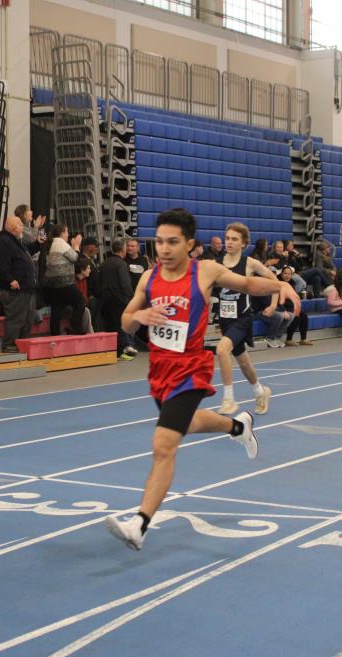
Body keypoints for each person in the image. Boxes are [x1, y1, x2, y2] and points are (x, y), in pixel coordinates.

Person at [103, 208, 295, 551]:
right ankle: (238, 426)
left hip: (190, 368)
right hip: (160, 370)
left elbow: (247, 284)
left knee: (163, 444)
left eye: (172, 242)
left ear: (190, 244)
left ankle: (140, 524)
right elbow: (126, 320)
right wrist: (141, 315)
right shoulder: (149, 278)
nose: (164, 249)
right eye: (159, 241)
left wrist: (281, 285)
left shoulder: (205, 270)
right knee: (187, 423)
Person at [215, 222, 298, 415]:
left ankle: (228, 399)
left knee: (221, 350)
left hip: (242, 319)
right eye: (227, 238)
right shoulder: (216, 264)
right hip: (225, 319)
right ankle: (260, 391)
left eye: (234, 239)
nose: (229, 242)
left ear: (244, 243)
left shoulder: (250, 263)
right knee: (244, 363)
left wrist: (273, 304)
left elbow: (275, 282)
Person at [0, 216, 39, 353]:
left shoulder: (15, 241)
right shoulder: (3, 241)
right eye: (20, 225)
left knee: (28, 319)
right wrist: (10, 279)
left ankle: (21, 343)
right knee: (16, 318)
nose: (22, 228)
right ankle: (9, 344)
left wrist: (37, 244)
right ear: (14, 227)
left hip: (26, 288)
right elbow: (1, 264)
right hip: (14, 288)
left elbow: (25, 254)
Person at [40, 222, 87, 336]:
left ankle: (55, 334)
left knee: (57, 309)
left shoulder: (52, 243)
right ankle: (75, 329)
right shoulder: (61, 243)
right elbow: (75, 258)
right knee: (80, 302)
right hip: (64, 283)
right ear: (62, 233)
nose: (68, 234)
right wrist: (76, 246)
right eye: (67, 232)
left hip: (51, 284)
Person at [99, 238, 137, 359]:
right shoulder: (121, 264)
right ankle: (122, 350)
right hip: (119, 299)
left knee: (110, 326)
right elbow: (125, 283)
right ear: (123, 249)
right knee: (121, 325)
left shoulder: (104, 263)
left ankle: (112, 351)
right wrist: (131, 297)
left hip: (105, 299)